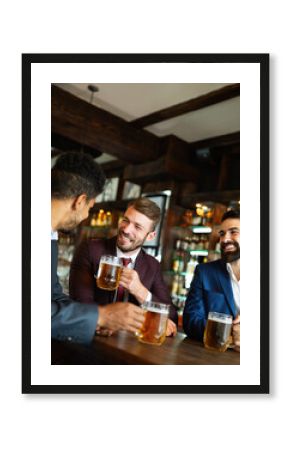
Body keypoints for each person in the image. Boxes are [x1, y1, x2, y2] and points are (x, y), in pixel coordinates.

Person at [51, 152, 145, 345]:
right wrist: (100, 316)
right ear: (79, 201)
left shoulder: (50, 237)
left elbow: (52, 294)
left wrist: (93, 320)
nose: (86, 215)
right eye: (90, 207)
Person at [69, 197, 178, 337]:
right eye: (126, 220)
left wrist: (140, 291)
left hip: (131, 346)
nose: (126, 229)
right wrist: (104, 321)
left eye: (137, 227)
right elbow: (81, 301)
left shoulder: (152, 265)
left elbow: (171, 316)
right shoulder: (90, 249)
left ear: (150, 236)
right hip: (89, 337)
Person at [183, 209, 240, 351]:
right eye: (222, 233)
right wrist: (230, 332)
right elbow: (191, 321)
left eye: (233, 232)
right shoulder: (204, 272)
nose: (225, 239)